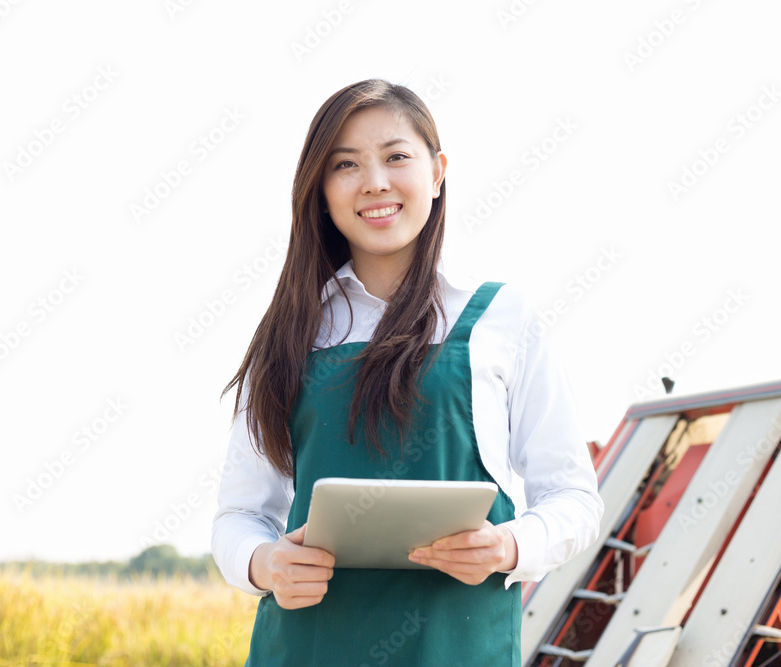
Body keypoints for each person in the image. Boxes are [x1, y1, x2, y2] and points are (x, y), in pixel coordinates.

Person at [211, 78, 604, 666]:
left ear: (438, 172)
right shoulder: (288, 333)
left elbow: (572, 497)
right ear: (320, 190)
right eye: (346, 164)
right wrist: (264, 564)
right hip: (308, 647)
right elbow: (240, 516)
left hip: (457, 645)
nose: (374, 181)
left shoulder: (502, 318)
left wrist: (507, 545)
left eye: (396, 157)